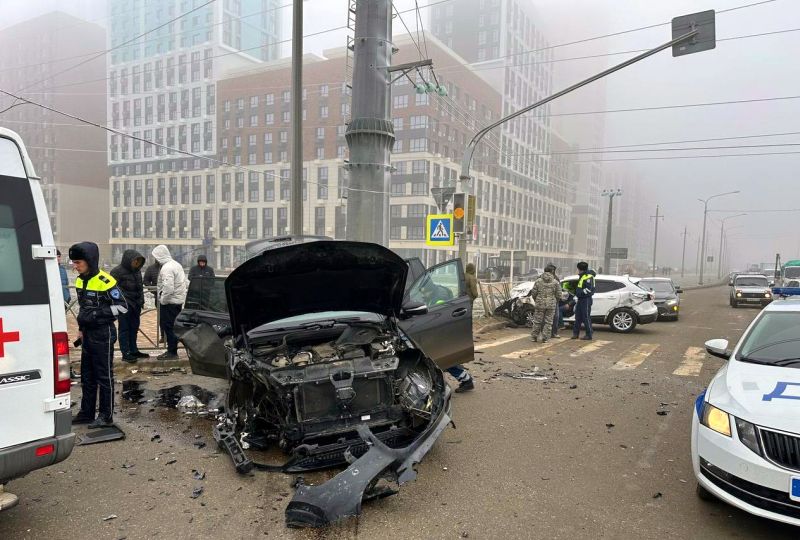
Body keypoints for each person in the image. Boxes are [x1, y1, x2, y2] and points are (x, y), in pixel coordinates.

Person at [69, 241, 128, 428]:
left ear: (89, 261)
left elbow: (123, 307)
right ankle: (86, 412)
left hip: (103, 334)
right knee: (87, 376)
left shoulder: (106, 281)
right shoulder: (79, 280)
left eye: (78, 262)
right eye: (74, 262)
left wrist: (96, 314)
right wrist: (80, 329)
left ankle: (105, 415)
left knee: (104, 376)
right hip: (87, 334)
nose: (75, 266)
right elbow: (83, 308)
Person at [420, 280, 475, 393]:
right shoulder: (437, 291)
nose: (423, 295)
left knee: (443, 360)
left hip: (443, 331)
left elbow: (436, 316)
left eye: (424, 293)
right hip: (446, 330)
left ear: (429, 290)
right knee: (444, 360)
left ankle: (465, 381)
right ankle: (463, 380)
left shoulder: (439, 298)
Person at [110, 249, 148, 363]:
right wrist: (123, 301)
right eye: (135, 260)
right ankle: (125, 352)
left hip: (136, 305)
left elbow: (140, 287)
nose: (136, 263)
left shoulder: (137, 271)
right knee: (124, 329)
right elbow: (113, 289)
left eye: (138, 261)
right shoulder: (116, 271)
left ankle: (134, 349)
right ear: (128, 260)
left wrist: (141, 300)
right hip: (124, 305)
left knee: (134, 328)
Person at [153, 245, 187, 360]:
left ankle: (172, 352)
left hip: (170, 303)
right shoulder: (176, 265)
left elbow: (168, 287)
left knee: (169, 327)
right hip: (177, 301)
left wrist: (163, 300)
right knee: (174, 326)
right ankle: (172, 350)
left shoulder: (167, 268)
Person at [530, 264, 561, 343]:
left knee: (537, 320)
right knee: (548, 322)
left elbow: (533, 293)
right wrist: (554, 301)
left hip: (540, 304)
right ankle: (545, 338)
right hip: (551, 304)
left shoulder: (538, 281)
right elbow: (559, 294)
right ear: (552, 271)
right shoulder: (555, 282)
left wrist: (537, 299)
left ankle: (534, 337)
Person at [572, 261, 596, 341]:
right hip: (581, 299)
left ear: (579, 268)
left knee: (586, 317)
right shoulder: (582, 276)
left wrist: (580, 293)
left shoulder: (588, 276)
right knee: (578, 317)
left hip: (586, 299)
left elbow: (589, 289)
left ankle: (589, 334)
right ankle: (575, 334)